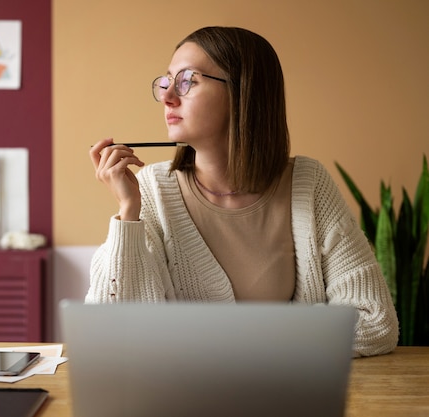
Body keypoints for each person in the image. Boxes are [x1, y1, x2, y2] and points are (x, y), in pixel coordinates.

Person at [87, 26, 398, 357]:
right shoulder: (150, 190)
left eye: (187, 81)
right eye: (166, 82)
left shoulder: (308, 184)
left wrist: (226, 347)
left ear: (243, 92)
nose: (167, 96)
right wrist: (128, 213)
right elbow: (111, 331)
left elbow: (374, 322)